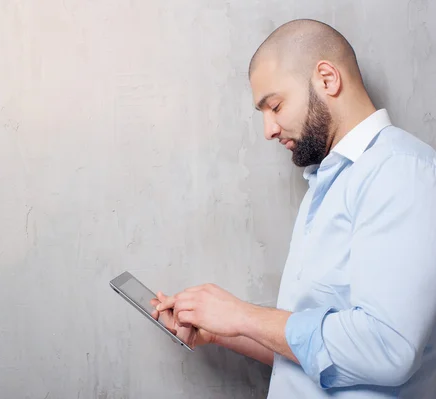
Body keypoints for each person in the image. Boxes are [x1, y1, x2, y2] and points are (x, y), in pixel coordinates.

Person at [152, 19, 436, 398]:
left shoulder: (401, 171)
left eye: (275, 105)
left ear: (326, 78)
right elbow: (316, 354)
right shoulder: (326, 182)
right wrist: (225, 330)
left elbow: (387, 348)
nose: (268, 129)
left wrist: (243, 315)